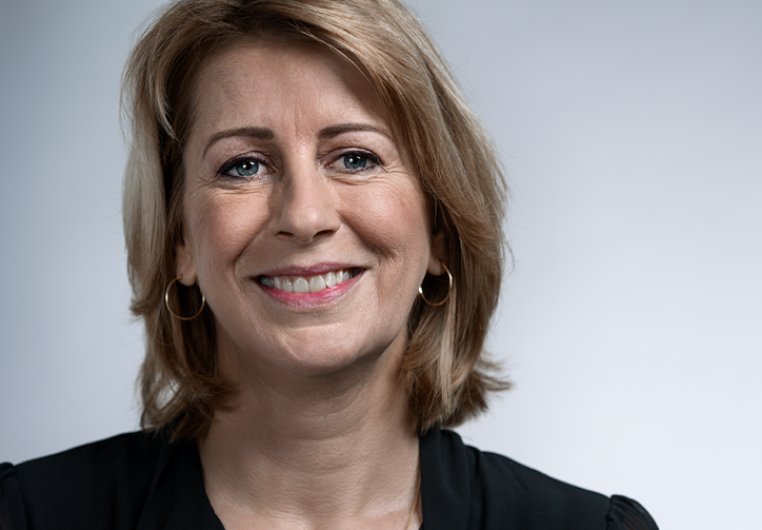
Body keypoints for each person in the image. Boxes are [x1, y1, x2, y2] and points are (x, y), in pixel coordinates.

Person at [0, 0, 658, 528]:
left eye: (356, 158)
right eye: (244, 166)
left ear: (439, 228)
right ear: (180, 243)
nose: (305, 214)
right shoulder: (29, 516)